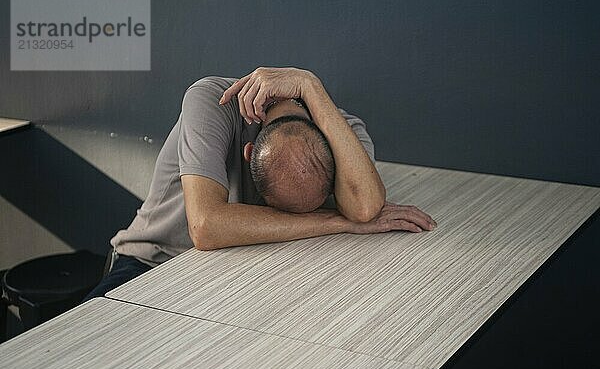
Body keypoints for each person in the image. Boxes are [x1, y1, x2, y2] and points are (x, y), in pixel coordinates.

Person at [83, 67, 436, 301]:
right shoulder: (211, 101)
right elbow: (206, 227)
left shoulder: (344, 131)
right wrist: (335, 221)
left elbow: (364, 207)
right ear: (249, 153)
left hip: (236, 269)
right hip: (151, 262)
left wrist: (309, 85)